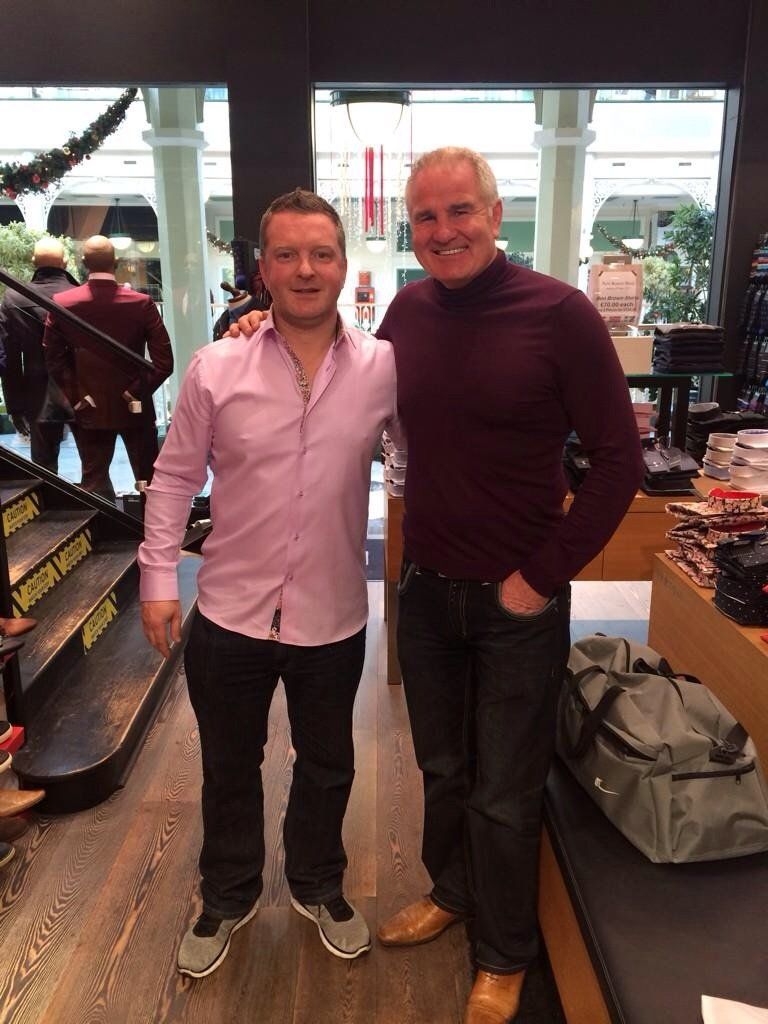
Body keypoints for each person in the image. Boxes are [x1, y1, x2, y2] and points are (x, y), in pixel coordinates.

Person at [232, 148, 644, 1024]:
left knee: (505, 784)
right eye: (425, 218)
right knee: (443, 765)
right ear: (409, 231)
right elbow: (343, 380)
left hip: (517, 597)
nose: (443, 230)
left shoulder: (560, 315)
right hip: (424, 590)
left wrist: (541, 578)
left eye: (460, 211)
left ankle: (504, 953)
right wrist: (255, 337)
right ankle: (454, 892)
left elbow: (620, 463)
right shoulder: (411, 313)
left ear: (496, 215)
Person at [138, 189, 399, 979]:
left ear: (343, 264)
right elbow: (175, 476)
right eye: (286, 255)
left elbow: (416, 462)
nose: (305, 269)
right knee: (227, 762)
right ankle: (229, 890)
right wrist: (157, 578)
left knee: (329, 765)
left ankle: (319, 884)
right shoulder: (217, 366)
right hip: (229, 612)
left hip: (333, 613)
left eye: (321, 253)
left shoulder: (385, 367)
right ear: (263, 269)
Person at [42, 235, 173, 501]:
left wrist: (78, 396)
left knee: (94, 482)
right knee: (149, 481)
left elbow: (53, 358)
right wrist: (134, 392)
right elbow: (163, 362)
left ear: (84, 263)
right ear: (115, 262)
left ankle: (100, 536)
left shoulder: (63, 304)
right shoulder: (141, 303)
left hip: (89, 407)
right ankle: (155, 538)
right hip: (135, 407)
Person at [0, 237, 79, 472]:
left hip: (37, 391)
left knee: (44, 470)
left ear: (34, 261)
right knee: (95, 467)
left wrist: (15, 406)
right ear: (65, 262)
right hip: (81, 389)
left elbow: (9, 359)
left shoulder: (14, 298)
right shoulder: (80, 295)